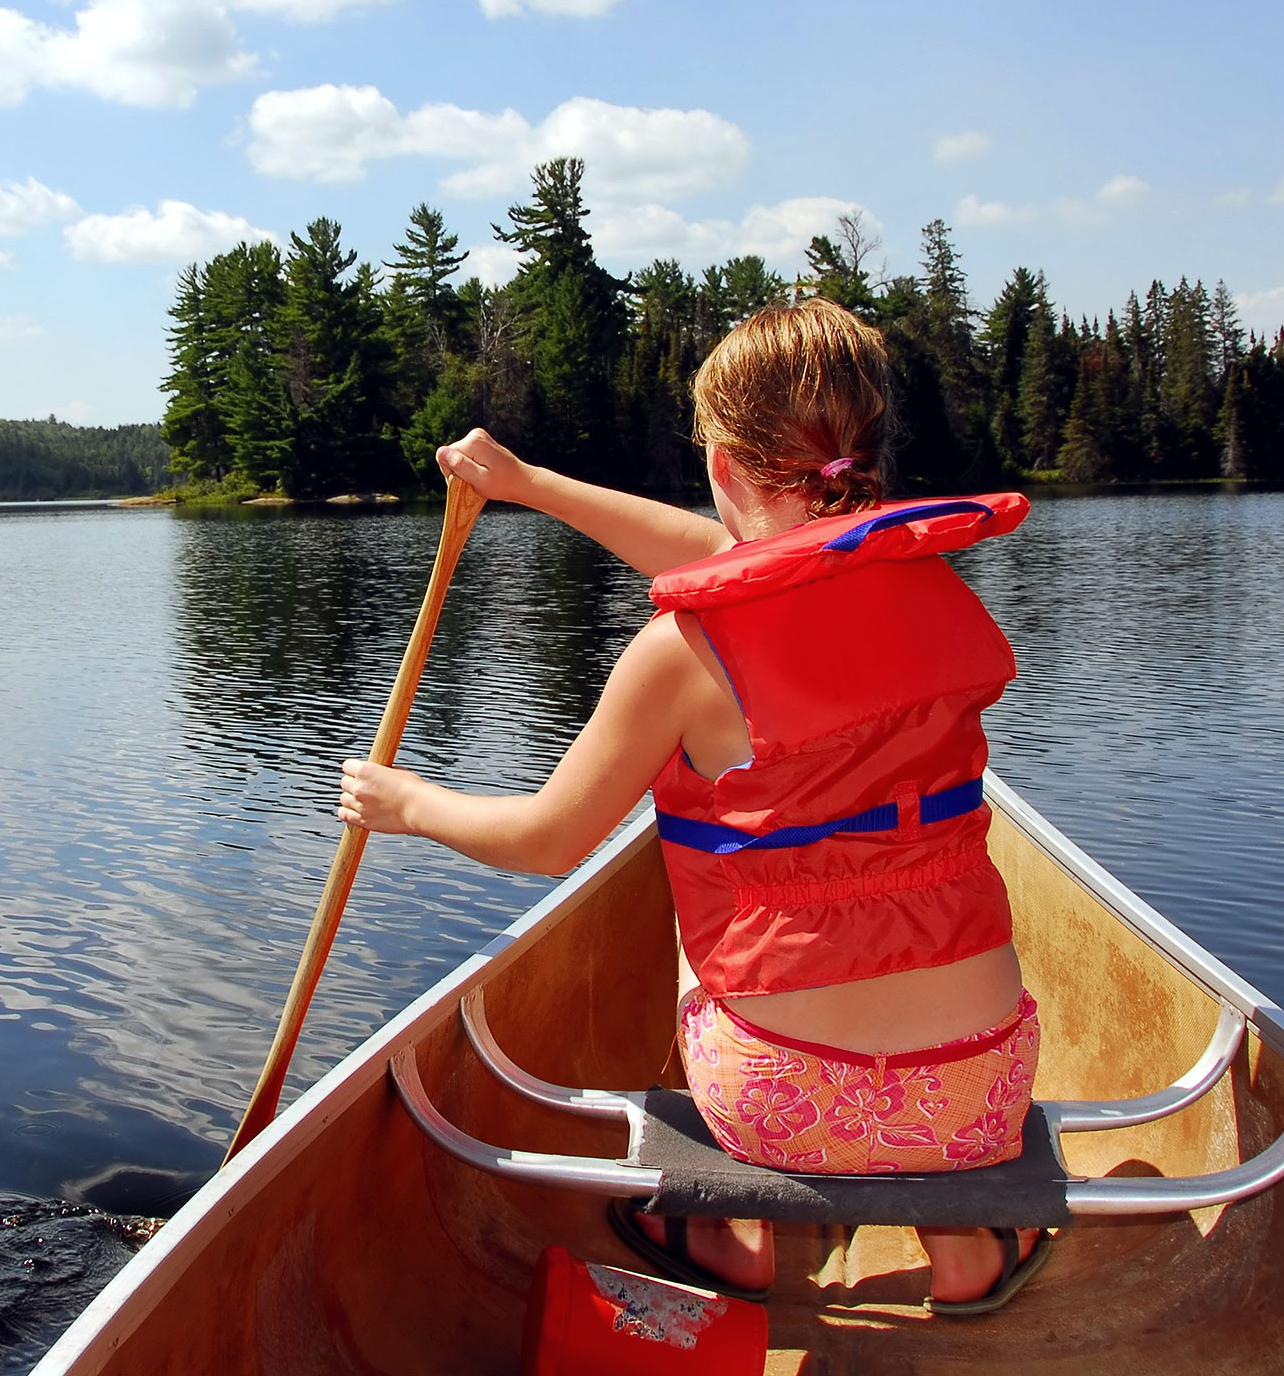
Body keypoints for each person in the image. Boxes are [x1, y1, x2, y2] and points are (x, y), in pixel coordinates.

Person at [337, 299, 1051, 1314]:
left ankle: (724, 1226)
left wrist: (408, 802)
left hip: (781, 1108)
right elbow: (741, 556)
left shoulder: (680, 655)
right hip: (978, 1098)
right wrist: (530, 486)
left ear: (722, 469)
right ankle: (967, 1244)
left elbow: (549, 840)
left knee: (699, 873)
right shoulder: (935, 583)